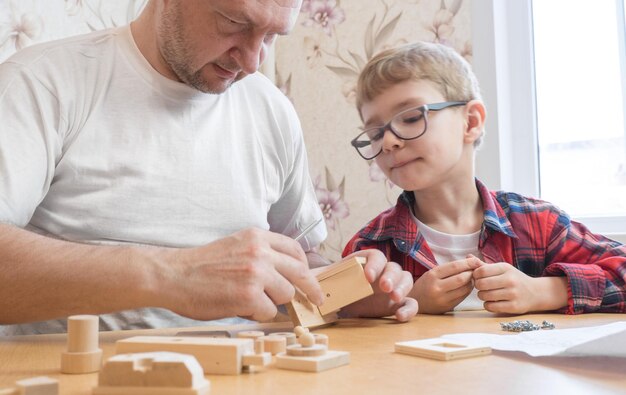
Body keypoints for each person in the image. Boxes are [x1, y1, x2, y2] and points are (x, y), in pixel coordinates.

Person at [0, 0, 418, 335]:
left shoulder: (271, 111)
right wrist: (174, 276)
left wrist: (345, 293)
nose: (253, 61)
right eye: (234, 22)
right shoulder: (42, 84)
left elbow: (294, 260)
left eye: (272, 36)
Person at [343, 41, 626, 315]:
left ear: (471, 122)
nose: (389, 141)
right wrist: (410, 300)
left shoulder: (538, 223)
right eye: (376, 133)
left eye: (411, 117)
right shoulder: (371, 247)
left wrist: (542, 292)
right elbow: (334, 316)